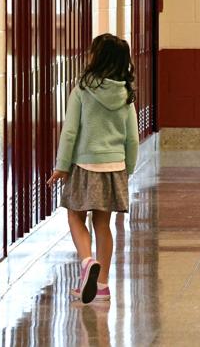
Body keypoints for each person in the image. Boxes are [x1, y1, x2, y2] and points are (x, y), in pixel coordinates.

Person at [47, 33, 139, 304]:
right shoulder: (125, 94)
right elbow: (132, 138)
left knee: (76, 215)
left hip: (85, 164)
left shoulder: (82, 90)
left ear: (97, 58)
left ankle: (87, 261)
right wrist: (127, 169)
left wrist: (62, 166)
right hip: (114, 165)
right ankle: (102, 285)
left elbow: (70, 131)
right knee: (103, 224)